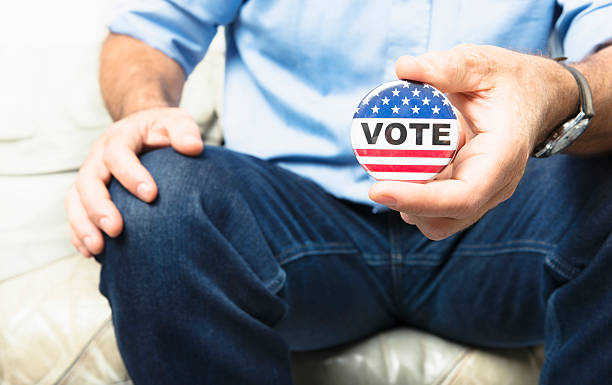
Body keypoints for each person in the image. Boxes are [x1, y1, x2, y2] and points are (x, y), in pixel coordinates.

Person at [65, 1, 612, 384]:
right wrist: (146, 113)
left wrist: (563, 90)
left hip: (502, 217)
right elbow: (149, 31)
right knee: (155, 195)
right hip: (295, 229)